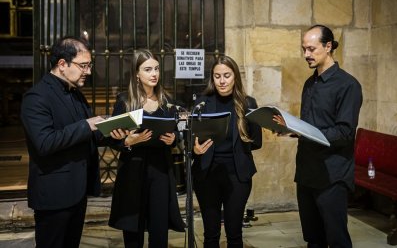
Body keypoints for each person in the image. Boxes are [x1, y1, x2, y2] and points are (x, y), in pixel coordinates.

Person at [277, 24, 362, 248]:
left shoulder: (348, 85)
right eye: (304, 49)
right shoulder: (310, 83)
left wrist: (304, 131)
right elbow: (312, 125)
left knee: (336, 240)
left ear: (328, 46)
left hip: (332, 174)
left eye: (311, 49)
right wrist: (291, 128)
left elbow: (344, 132)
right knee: (313, 239)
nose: (306, 54)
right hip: (306, 170)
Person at [20, 36, 106, 247]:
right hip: (54, 194)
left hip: (77, 191)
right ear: (62, 64)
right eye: (83, 65)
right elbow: (45, 143)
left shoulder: (76, 94)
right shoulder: (36, 97)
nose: (88, 71)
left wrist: (116, 133)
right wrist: (87, 125)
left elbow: (90, 134)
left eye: (89, 65)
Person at [108, 49, 185, 247]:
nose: (154, 74)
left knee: (159, 227)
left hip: (160, 169)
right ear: (136, 73)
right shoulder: (125, 101)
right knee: (133, 227)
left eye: (157, 69)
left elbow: (176, 132)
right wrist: (128, 141)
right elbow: (113, 138)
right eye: (148, 69)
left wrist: (173, 138)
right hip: (133, 168)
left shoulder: (167, 102)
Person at [192, 55, 262, 248]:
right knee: (211, 234)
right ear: (212, 78)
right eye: (217, 76)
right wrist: (195, 149)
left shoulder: (248, 103)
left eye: (227, 75)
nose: (222, 81)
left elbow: (257, 142)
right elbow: (191, 140)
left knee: (234, 233)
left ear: (235, 77)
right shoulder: (202, 103)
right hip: (207, 174)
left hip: (237, 176)